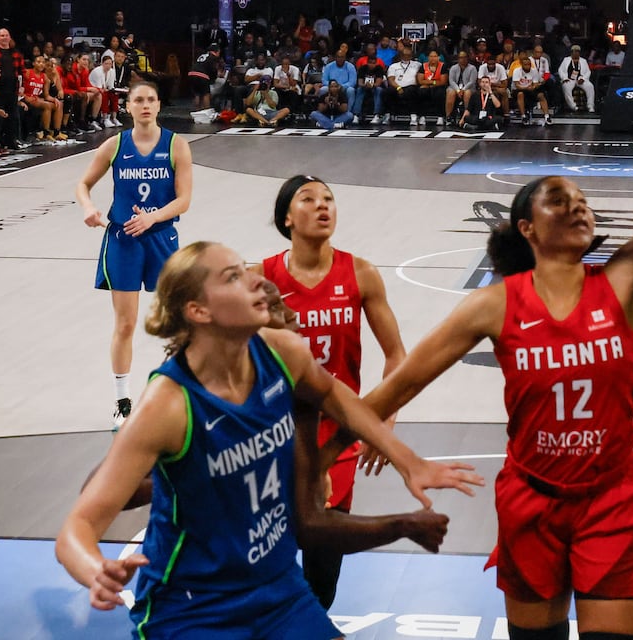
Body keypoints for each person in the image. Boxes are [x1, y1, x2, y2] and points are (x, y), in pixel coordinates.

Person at [346, 0, 633, 640]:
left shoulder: (628, 275)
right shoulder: (495, 303)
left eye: (580, 200)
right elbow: (392, 390)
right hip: (530, 499)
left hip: (612, 497)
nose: (577, 206)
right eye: (558, 199)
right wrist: (365, 449)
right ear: (525, 227)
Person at [55, 241, 481, 638]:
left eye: (246, 270)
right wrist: (95, 569)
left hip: (277, 587)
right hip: (193, 607)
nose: (257, 280)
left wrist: (408, 460)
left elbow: (334, 394)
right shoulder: (167, 406)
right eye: (233, 277)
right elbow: (77, 525)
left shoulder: (281, 350)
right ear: (198, 311)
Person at [257, 175, 408, 609]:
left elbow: (397, 355)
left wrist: (383, 422)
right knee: (270, 567)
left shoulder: (360, 273)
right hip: (275, 438)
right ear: (287, 217)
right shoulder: (259, 278)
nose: (323, 206)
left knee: (322, 576)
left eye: (329, 199)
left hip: (337, 437)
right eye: (308, 199)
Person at [75, 80, 194, 429]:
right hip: (123, 240)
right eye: (138, 100)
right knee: (125, 323)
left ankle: (181, 394)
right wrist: (88, 208)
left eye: (151, 100)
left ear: (159, 106)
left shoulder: (177, 146)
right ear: (128, 106)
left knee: (176, 322)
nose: (145, 105)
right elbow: (83, 184)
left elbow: (184, 199)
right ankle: (123, 401)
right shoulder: (115, 145)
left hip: (160, 237)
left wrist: (153, 217)